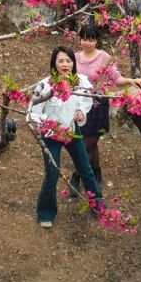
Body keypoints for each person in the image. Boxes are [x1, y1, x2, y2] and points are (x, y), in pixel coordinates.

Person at [27, 46, 103, 228]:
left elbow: (86, 101)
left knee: (85, 168)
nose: (65, 64)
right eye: (60, 60)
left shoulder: (81, 82)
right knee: (52, 173)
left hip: (71, 131)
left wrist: (80, 113)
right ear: (54, 63)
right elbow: (33, 112)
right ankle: (46, 212)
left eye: (68, 60)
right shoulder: (45, 85)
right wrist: (48, 125)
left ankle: (98, 206)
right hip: (51, 134)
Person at [72, 23, 141, 189]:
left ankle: (78, 174)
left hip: (98, 104)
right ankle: (96, 171)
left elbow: (116, 78)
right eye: (83, 39)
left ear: (97, 40)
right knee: (84, 143)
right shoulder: (75, 57)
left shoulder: (104, 57)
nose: (86, 43)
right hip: (79, 103)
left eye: (90, 39)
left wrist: (131, 81)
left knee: (87, 144)